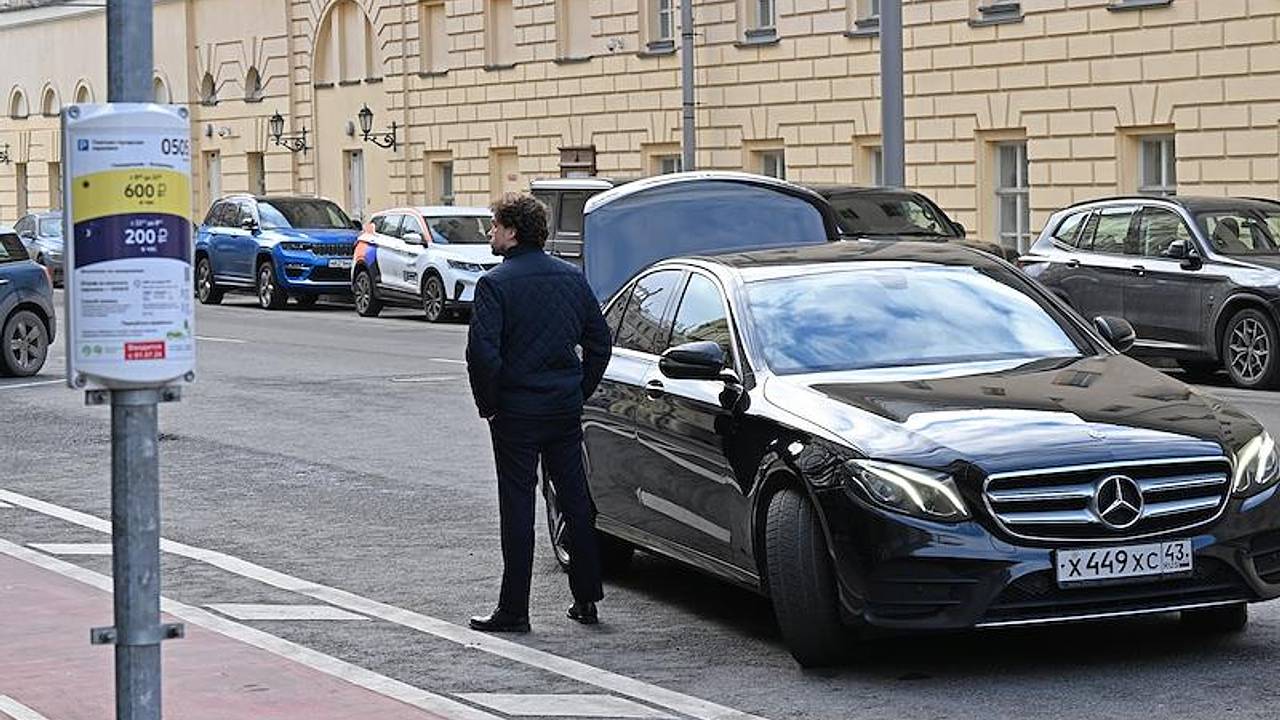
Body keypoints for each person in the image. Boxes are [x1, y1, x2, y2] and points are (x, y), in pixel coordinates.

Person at [466, 192, 613, 632]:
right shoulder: (572, 278)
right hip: (563, 409)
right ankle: (587, 599)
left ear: (511, 232)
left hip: (515, 413)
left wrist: (490, 405)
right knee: (575, 502)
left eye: (494, 225)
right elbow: (599, 343)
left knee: (517, 508)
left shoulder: (494, 284)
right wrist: (577, 390)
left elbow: (482, 355)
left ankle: (514, 610)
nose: (491, 233)